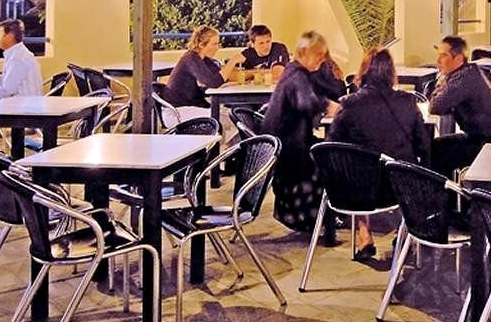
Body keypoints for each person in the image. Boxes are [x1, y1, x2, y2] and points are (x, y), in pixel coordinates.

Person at [328, 47, 429, 259]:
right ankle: (404, 230)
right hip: (398, 188)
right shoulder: (407, 102)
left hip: (357, 192)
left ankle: (364, 234)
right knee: (409, 167)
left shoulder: (349, 104)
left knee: (358, 168)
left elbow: (331, 145)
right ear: (391, 73)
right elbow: (423, 145)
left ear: (363, 71)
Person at [260, 30, 341, 238]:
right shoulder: (297, 75)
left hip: (285, 143)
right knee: (330, 160)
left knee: (328, 152)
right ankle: (325, 218)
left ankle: (325, 216)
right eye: (318, 55)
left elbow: (329, 88)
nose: (322, 59)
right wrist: (329, 105)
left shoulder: (297, 71)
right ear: (304, 52)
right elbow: (307, 102)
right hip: (289, 148)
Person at [429, 35, 491, 176]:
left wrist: (441, 80)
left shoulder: (464, 79)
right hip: (490, 138)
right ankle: (447, 187)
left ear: (458, 59)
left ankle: (442, 189)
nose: (438, 60)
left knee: (434, 151)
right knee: (436, 146)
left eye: (444, 55)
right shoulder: (468, 73)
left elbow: (436, 106)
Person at [164, 26, 244, 108]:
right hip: (179, 108)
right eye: (214, 44)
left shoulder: (205, 59)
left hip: (192, 105)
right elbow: (213, 83)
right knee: (231, 112)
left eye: (218, 44)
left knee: (235, 109)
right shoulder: (191, 59)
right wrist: (232, 62)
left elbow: (221, 77)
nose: (217, 48)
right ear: (201, 45)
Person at [0, 19, 43, 100]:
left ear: (10, 36)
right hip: (25, 103)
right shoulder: (20, 54)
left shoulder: (18, 58)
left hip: (21, 106)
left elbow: (7, 91)